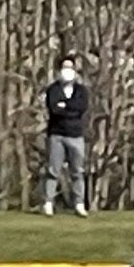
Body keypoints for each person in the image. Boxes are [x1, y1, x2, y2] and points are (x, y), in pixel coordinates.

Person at [40, 55, 92, 213]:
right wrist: (69, 109)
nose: (67, 71)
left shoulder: (81, 91)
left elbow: (81, 108)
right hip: (57, 135)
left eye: (70, 67)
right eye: (64, 67)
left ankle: (79, 204)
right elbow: (54, 109)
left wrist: (65, 106)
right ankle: (48, 203)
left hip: (76, 135)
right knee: (53, 170)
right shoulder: (53, 90)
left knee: (77, 171)